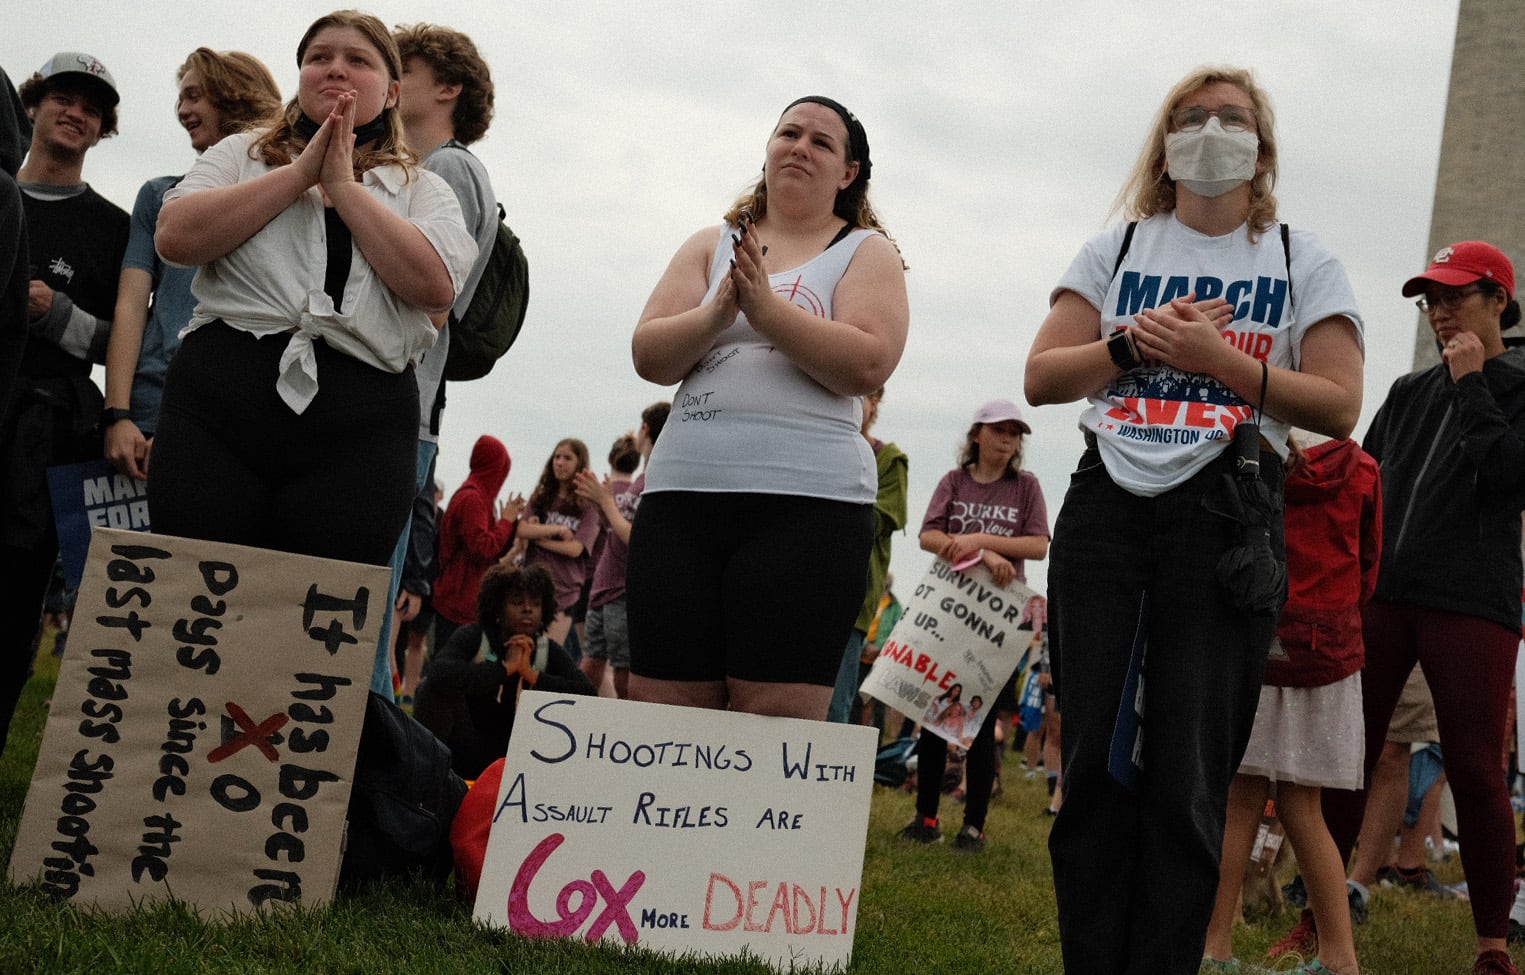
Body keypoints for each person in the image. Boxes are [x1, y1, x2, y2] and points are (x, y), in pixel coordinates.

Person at [1024, 65, 1364, 975]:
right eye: (1191, 117)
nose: (1211, 130)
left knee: (1189, 774)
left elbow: (1338, 403)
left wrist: (1225, 362)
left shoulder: (1299, 257)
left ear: (1263, 147)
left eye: (1233, 118)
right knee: (1093, 760)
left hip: (1225, 512)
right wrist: (1133, 342)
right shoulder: (1118, 248)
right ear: (1163, 140)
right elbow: (1041, 376)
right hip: (1106, 507)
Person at [149, 11, 476, 575]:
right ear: (299, 74)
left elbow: (435, 287)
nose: (335, 70)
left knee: (310, 615)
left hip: (361, 424)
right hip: (221, 403)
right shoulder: (238, 155)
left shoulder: (424, 187)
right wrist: (298, 174)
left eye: (358, 60)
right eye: (319, 57)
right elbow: (175, 236)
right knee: (195, 592)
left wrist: (344, 187)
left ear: (392, 91)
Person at [627, 95, 909, 719]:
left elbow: (868, 361)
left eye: (822, 142)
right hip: (683, 501)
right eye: (790, 133)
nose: (800, 147)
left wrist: (767, 311)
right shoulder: (710, 245)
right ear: (768, 148)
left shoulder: (865, 251)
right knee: (663, 710)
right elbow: (651, 353)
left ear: (848, 174)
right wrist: (717, 313)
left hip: (807, 508)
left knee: (773, 719)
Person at [1319, 240, 1525, 975]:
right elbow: (1362, 483)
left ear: (1498, 300)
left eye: (1454, 297)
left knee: (1472, 767)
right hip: (1383, 595)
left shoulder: (1518, 382)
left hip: (1472, 600)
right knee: (1349, 752)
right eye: (1428, 300)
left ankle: (1491, 947)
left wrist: (1473, 383)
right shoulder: (1408, 391)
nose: (1438, 312)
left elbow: (1504, 477)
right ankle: (1323, 913)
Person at [1203, 433, 1381, 975]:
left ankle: (1215, 949)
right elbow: (1369, 566)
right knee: (1306, 809)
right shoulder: (1363, 467)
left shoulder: (1253, 449)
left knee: (1238, 804)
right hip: (1324, 649)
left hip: (1256, 636)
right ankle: (1340, 958)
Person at [0, 52, 130, 756]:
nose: (76, 112)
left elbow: (127, 344)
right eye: (62, 97)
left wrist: (58, 316)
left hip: (46, 432)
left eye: (92, 107)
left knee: (16, 599)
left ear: (102, 128)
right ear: (32, 105)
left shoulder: (112, 228)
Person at [379, 21, 502, 699]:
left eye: (403, 68)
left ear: (448, 87)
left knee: (365, 606)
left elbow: (423, 285)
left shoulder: (448, 169)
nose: (387, 80)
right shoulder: (443, 168)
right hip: (409, 402)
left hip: (400, 402)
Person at [103, 49, 282, 481]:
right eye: (181, 100)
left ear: (233, 95)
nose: (184, 110)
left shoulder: (287, 193)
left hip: (235, 413)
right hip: (147, 409)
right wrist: (117, 414)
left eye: (195, 96)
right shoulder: (159, 196)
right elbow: (130, 306)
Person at [899, 398, 1050, 852]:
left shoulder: (1025, 487)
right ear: (977, 435)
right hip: (950, 610)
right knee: (934, 716)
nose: (1007, 439)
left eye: (1014, 432)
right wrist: (982, 555)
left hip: (998, 619)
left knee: (980, 721)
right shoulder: (954, 481)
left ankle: (974, 827)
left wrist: (981, 539)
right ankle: (926, 817)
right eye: (999, 430)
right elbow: (928, 534)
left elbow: (1039, 545)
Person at [413, 563, 594, 780]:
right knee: (431, 689)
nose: (528, 609)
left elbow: (589, 694)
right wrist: (504, 669)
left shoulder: (547, 650)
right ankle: (425, 777)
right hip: (466, 746)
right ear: (498, 607)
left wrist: (532, 675)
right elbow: (439, 672)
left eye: (536, 604)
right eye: (517, 602)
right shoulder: (474, 636)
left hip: (523, 753)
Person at [575, 402, 670, 699]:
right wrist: (603, 507)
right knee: (590, 664)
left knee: (624, 674)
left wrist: (605, 502)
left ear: (645, 430)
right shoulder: (640, 479)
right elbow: (619, 527)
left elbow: (638, 539)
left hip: (623, 591)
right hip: (605, 587)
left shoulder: (657, 478)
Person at [828, 384, 908, 723]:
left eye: (860, 396)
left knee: (835, 704)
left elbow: (883, 517)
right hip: (798, 588)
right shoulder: (818, 446)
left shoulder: (889, 460)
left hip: (851, 597)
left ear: (875, 403)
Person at [432, 435, 523, 650]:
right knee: (453, 672)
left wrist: (508, 525)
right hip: (459, 603)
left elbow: (492, 549)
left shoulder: (478, 497)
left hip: (464, 601)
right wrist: (507, 522)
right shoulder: (473, 499)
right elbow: (483, 549)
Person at [514, 438, 599, 646]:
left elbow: (576, 548)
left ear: (580, 464)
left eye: (567, 458)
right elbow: (522, 529)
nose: (560, 463)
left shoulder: (588, 504)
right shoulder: (541, 498)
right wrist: (558, 529)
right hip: (531, 588)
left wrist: (540, 540)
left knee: (544, 656)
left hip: (564, 593)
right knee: (521, 651)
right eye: (557, 457)